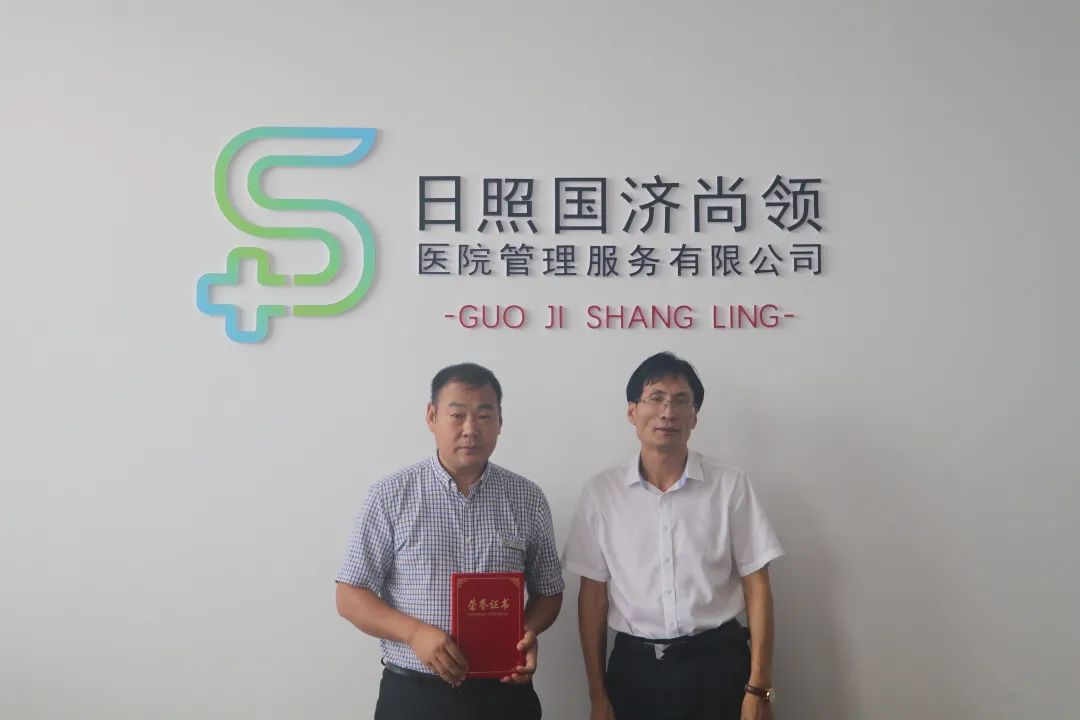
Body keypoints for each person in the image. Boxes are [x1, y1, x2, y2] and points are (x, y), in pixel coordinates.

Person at [335, 362, 565, 720]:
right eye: (457, 415)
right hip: (414, 696)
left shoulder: (527, 498)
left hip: (504, 694)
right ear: (432, 416)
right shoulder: (390, 495)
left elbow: (549, 592)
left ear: (500, 421)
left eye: (484, 416)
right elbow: (350, 595)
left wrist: (524, 633)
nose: (470, 429)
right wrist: (414, 633)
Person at [564, 352, 784, 720]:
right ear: (632, 411)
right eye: (655, 398)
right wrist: (598, 695)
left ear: (694, 417)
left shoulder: (729, 485)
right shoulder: (601, 493)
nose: (668, 412)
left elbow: (757, 585)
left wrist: (759, 687)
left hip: (720, 667)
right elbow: (593, 599)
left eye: (681, 401)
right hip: (635, 673)